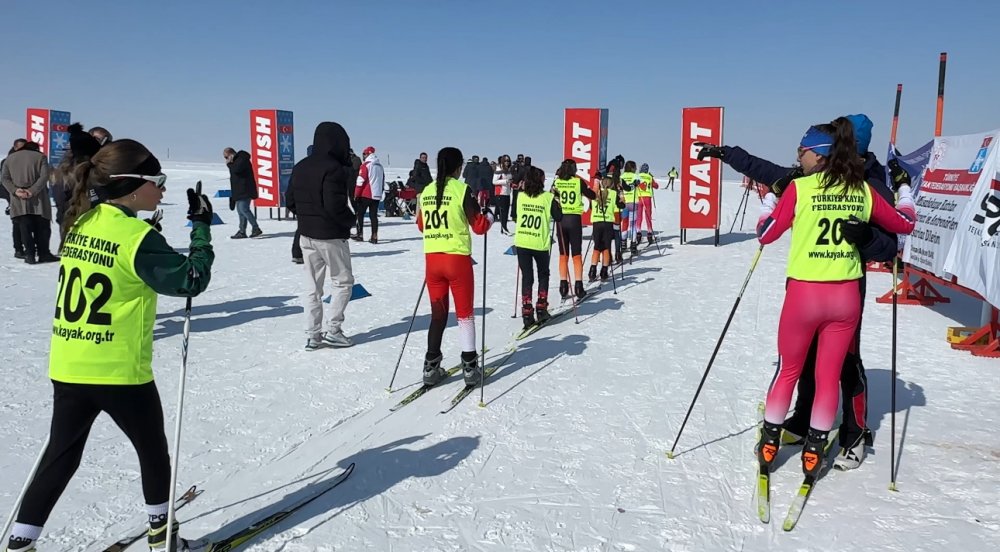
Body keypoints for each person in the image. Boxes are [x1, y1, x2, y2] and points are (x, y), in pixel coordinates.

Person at [4, 139, 215, 552]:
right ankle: (163, 539)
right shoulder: (135, 235)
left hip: (70, 362)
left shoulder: (82, 221)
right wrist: (201, 229)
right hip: (118, 369)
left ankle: (21, 542)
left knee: (61, 455)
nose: (162, 189)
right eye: (157, 180)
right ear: (131, 186)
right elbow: (191, 280)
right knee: (153, 453)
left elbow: (118, 261)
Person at [699, 113, 894, 470]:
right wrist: (726, 153)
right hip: (810, 286)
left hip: (847, 284)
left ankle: (854, 435)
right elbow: (772, 172)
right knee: (805, 358)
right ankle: (804, 422)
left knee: (846, 364)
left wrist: (866, 238)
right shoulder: (814, 176)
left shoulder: (871, 183)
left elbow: (890, 245)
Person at [754, 117, 916, 478]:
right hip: (845, 298)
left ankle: (769, 442)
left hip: (804, 295)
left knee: (788, 370)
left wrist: (770, 200)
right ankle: (814, 450)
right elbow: (905, 223)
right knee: (828, 378)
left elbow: (765, 234)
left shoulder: (801, 188)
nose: (799, 157)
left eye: (802, 151)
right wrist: (904, 188)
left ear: (820, 155)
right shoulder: (863, 190)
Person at [416, 147, 493, 387]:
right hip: (457, 260)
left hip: (433, 260)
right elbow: (479, 226)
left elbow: (421, 225)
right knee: (464, 314)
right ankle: (469, 367)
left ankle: (430, 366)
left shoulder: (427, 190)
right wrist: (490, 216)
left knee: (438, 314)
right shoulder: (462, 190)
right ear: (458, 167)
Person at [286, 122, 357, 350]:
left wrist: (307, 216)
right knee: (343, 282)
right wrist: (351, 220)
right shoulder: (334, 168)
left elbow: (290, 201)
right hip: (331, 235)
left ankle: (313, 334)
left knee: (312, 286)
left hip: (306, 234)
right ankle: (333, 330)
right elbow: (334, 205)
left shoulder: (301, 166)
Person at [514, 166, 561, 329]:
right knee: (543, 275)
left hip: (522, 241)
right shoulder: (548, 197)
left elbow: (515, 215)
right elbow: (558, 216)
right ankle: (541, 307)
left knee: (527, 277)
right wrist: (557, 199)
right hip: (539, 243)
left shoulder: (520, 196)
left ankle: (527, 312)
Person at [2, 141, 56, 264]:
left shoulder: (9, 158)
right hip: (38, 198)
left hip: (18, 198)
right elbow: (44, 176)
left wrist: (15, 190)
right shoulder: (40, 157)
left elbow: (4, 178)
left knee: (24, 227)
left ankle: (30, 255)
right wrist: (32, 191)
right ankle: (43, 254)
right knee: (42, 227)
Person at [552, 159, 597, 300]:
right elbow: (592, 196)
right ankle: (578, 286)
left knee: (563, 254)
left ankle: (563, 286)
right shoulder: (578, 182)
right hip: (574, 220)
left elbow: (552, 197)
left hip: (561, 220)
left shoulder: (557, 182)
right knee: (576, 254)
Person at [588, 174, 626, 282]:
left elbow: (590, 207)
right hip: (608, 223)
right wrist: (621, 193)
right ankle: (604, 271)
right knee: (605, 248)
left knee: (597, 247)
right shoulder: (613, 194)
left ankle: (592, 270)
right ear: (612, 185)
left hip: (596, 223)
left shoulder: (595, 193)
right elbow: (622, 205)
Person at [223, 147, 262, 239]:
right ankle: (242, 231)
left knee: (244, 209)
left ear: (231, 154)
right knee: (240, 211)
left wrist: (229, 164)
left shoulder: (242, 159)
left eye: (226, 157)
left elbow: (237, 170)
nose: (226, 159)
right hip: (239, 191)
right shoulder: (236, 161)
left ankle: (256, 228)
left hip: (245, 190)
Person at [1, 139, 28, 258]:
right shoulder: (8, 160)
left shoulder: (25, 158)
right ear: (15, 147)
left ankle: (25, 246)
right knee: (18, 221)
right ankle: (19, 249)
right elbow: (5, 180)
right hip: (12, 193)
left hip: (24, 193)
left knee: (25, 221)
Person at [353, 145, 384, 243]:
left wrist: (356, 194)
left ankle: (359, 234)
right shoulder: (380, 166)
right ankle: (374, 236)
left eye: (364, 154)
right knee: (373, 216)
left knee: (360, 214)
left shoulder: (366, 165)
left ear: (367, 154)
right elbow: (382, 180)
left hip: (366, 194)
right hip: (377, 194)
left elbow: (361, 180)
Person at [635, 163, 659, 245]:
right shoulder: (649, 177)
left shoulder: (637, 176)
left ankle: (638, 233)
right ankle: (649, 234)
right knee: (648, 216)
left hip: (639, 198)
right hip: (647, 198)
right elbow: (656, 186)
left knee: (639, 216)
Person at [492, 156, 513, 234]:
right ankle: (504, 228)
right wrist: (506, 181)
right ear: (502, 162)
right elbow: (494, 182)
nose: (507, 162)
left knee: (506, 212)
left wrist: (511, 183)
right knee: (503, 212)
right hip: (500, 193)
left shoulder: (508, 170)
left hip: (507, 193)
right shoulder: (499, 170)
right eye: (505, 161)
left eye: (508, 161)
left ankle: (505, 227)